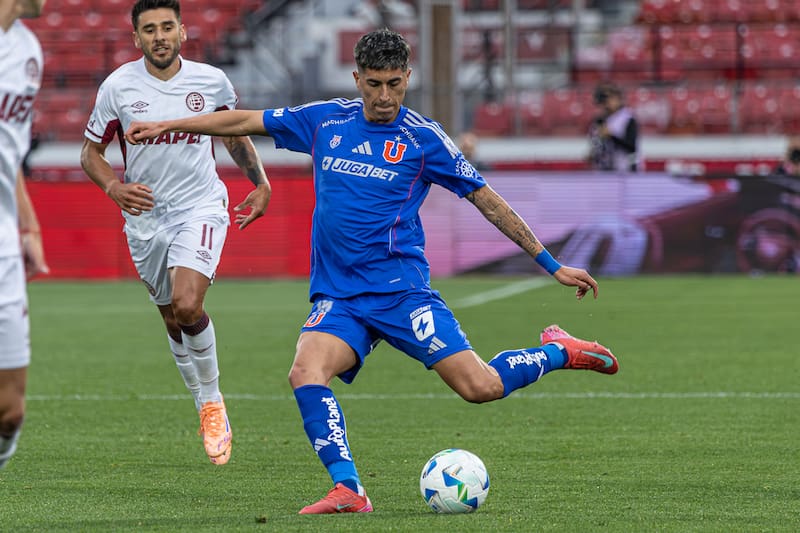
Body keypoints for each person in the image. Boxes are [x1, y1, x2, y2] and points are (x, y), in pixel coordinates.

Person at [125, 29, 619, 513]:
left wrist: (551, 264)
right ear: (358, 79)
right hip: (341, 297)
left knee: (480, 388)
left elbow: (487, 200)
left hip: (402, 294)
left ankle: (560, 350)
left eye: (394, 84)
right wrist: (168, 126)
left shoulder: (423, 139)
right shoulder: (325, 120)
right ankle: (349, 490)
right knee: (305, 373)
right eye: (374, 84)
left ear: (408, 78)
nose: (384, 96)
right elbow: (244, 120)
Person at [81, 0, 271, 466]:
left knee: (188, 305)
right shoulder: (118, 87)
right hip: (146, 219)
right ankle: (200, 399)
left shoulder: (211, 81)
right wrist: (114, 187)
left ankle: (212, 401)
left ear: (183, 32)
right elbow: (90, 153)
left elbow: (234, 134)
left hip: (200, 207)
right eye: (149, 29)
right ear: (136, 38)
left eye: (167, 27)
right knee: (171, 320)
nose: (160, 36)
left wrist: (260, 183)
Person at [0, 0, 50, 470]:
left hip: (4, 247)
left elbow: (8, 155)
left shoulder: (28, 50)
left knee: (10, 413)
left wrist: (28, 225)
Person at [588, 82, 642, 172]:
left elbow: (631, 147)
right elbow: (598, 145)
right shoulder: (599, 121)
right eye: (603, 100)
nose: (606, 103)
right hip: (603, 170)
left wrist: (611, 136)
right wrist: (593, 155)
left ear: (618, 98)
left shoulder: (628, 118)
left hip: (625, 170)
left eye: (608, 98)